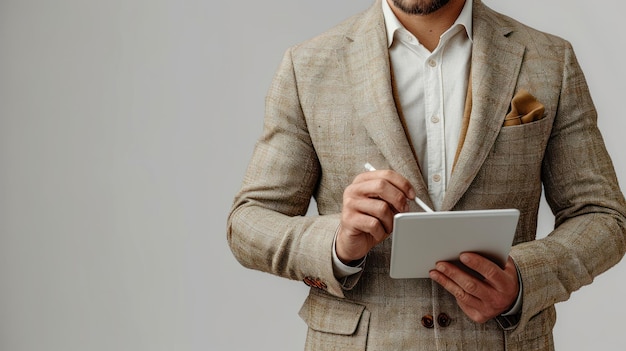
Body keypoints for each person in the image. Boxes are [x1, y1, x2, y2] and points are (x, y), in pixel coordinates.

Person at [227, 0, 626, 349]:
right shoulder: (307, 66)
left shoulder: (550, 60)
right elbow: (248, 224)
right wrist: (336, 242)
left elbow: (604, 216)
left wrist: (525, 279)